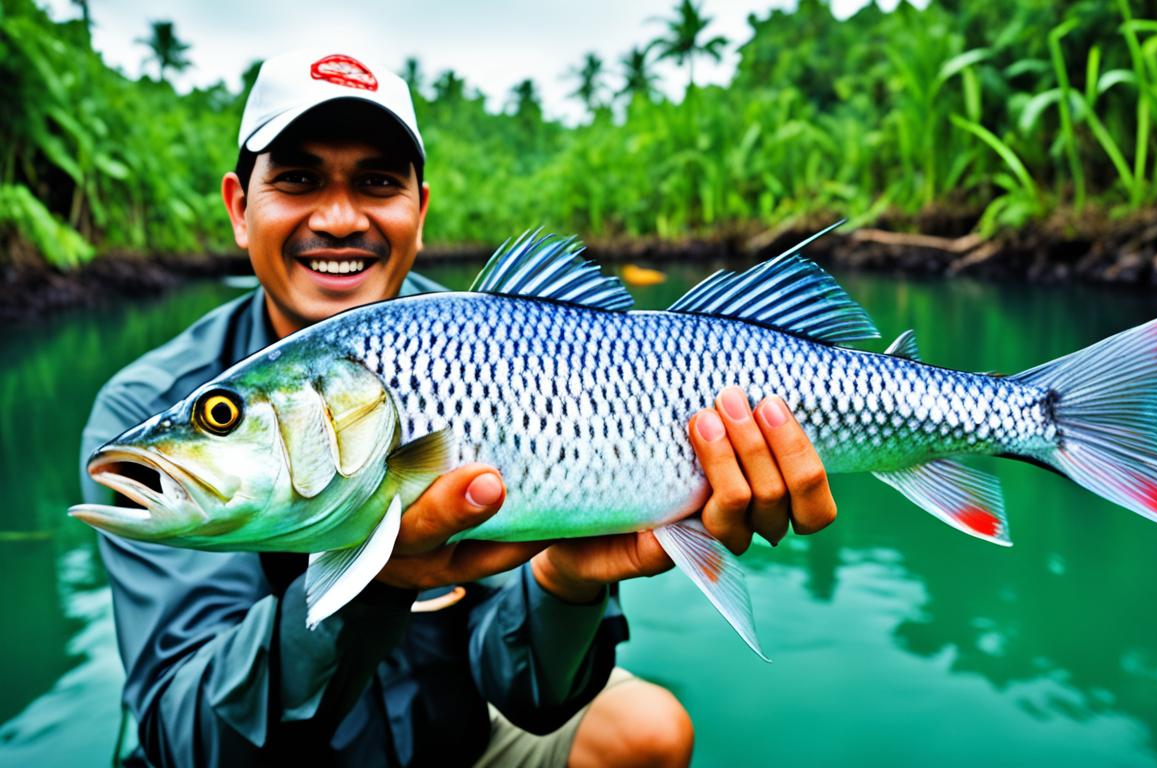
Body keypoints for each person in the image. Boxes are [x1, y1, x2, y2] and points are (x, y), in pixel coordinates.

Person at [79, 50, 838, 767]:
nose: (340, 218)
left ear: (420, 208)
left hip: (451, 731)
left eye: (377, 183)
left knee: (643, 728)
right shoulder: (147, 404)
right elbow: (189, 741)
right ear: (240, 208)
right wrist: (382, 577)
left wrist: (568, 581)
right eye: (301, 181)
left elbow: (526, 693)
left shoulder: (481, 351)